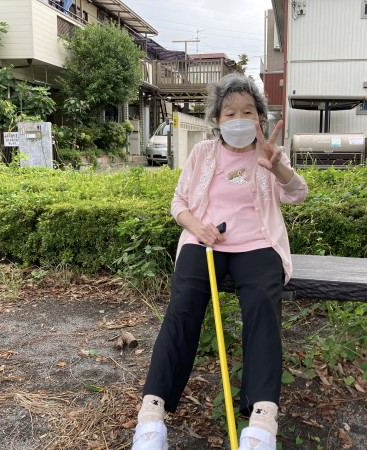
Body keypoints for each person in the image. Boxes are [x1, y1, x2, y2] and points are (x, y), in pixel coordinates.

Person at [131, 73, 309, 450]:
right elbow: (178, 203)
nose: (239, 119)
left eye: (247, 111)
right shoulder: (202, 153)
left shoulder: (270, 154)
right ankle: (151, 415)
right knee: (182, 307)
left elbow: (298, 194)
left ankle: (262, 421)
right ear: (216, 119)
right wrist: (198, 227)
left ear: (259, 117)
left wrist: (278, 167)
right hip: (205, 241)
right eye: (230, 113)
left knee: (263, 307)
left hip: (258, 245)